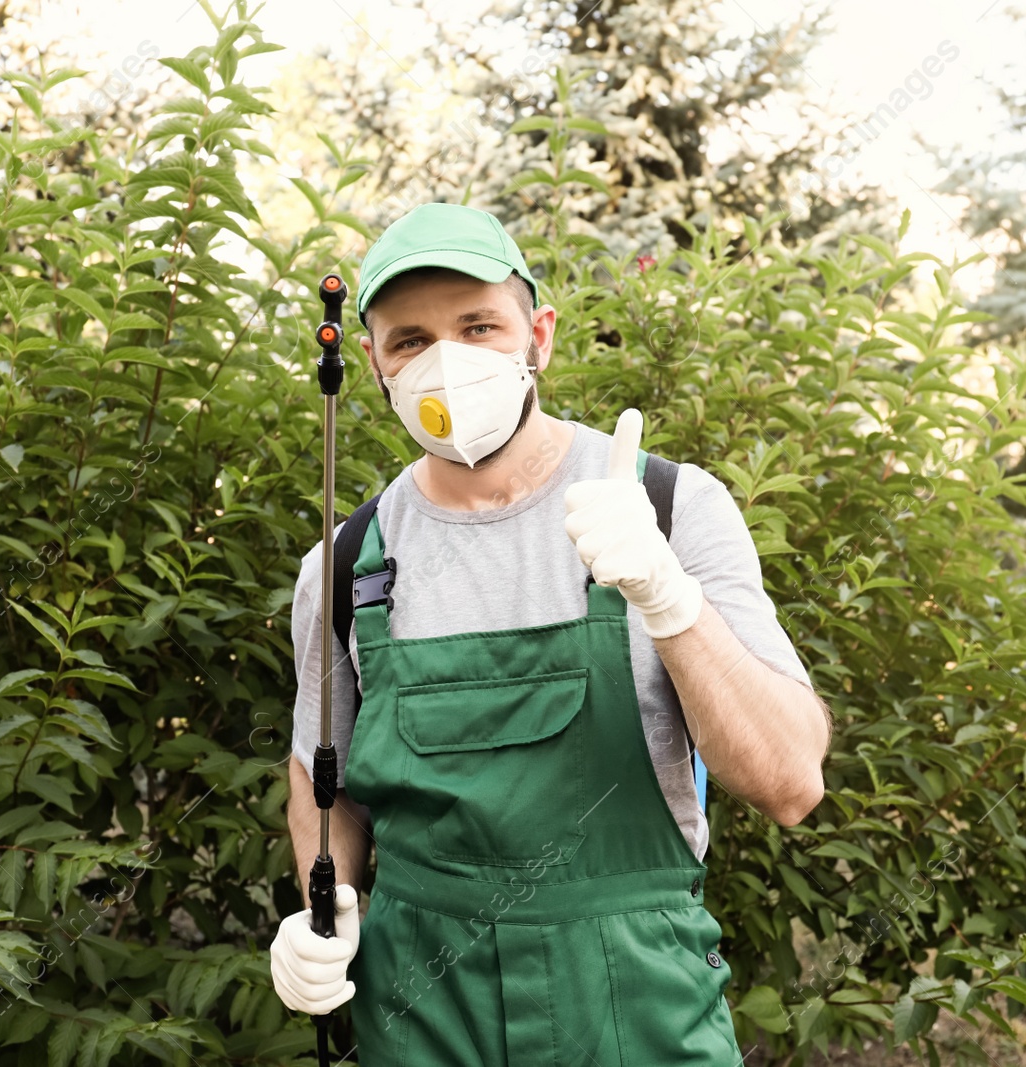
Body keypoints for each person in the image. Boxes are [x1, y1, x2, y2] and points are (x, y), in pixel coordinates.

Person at [270, 202, 831, 1065]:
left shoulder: (673, 508)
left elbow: (790, 780)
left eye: (478, 326)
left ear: (539, 335)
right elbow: (325, 774)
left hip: (635, 1004)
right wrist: (327, 901)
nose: (447, 361)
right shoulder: (346, 563)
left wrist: (668, 598)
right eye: (410, 339)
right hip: (422, 1005)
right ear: (374, 362)